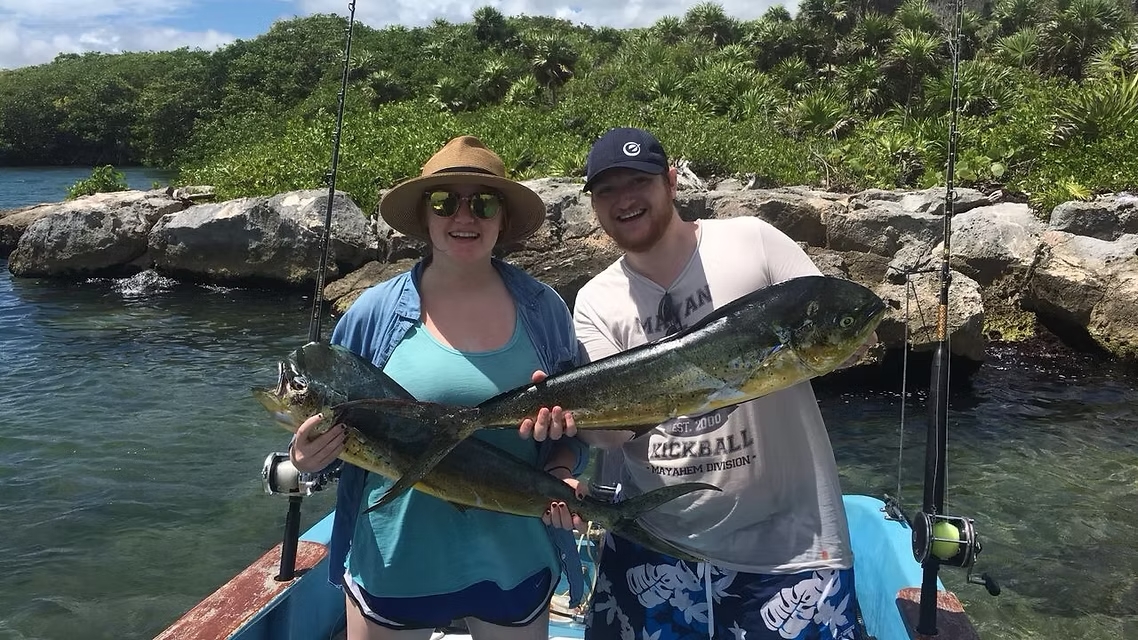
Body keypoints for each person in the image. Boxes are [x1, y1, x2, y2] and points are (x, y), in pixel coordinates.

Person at [531, 127, 872, 640]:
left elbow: (838, 327)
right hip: (655, 546)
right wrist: (565, 421)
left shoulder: (753, 241)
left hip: (789, 549)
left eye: (639, 181)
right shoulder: (596, 301)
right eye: (607, 191)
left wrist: (858, 339)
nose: (625, 200)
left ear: (670, 182)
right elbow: (609, 437)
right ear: (594, 206)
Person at [289, 135, 588, 640]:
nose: (464, 217)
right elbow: (338, 427)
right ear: (426, 216)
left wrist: (561, 471)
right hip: (396, 558)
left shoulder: (545, 311)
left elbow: (575, 421)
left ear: (503, 219)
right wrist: (306, 458)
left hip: (513, 557)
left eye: (484, 202)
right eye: (445, 202)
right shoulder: (372, 315)